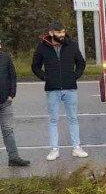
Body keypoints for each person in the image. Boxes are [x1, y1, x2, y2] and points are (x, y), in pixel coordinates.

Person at [32, 21, 88, 161]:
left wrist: (75, 76)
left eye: (63, 32)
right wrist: (45, 77)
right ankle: (54, 150)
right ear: (51, 33)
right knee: (53, 120)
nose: (62, 35)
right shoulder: (42, 47)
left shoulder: (72, 45)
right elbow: (35, 66)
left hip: (70, 88)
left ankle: (76, 148)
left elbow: (81, 63)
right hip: (52, 90)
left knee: (73, 118)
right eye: (58, 32)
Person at [0, 41, 29, 167]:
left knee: (8, 131)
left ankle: (13, 158)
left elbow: (13, 76)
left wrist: (12, 94)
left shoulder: (6, 58)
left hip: (5, 102)